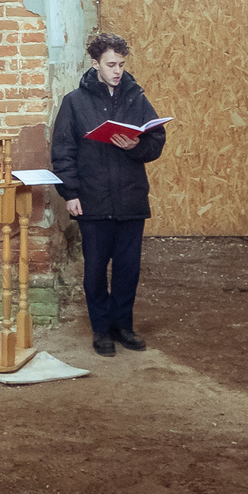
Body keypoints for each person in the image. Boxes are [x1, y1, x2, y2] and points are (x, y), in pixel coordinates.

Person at [48, 31, 166, 358]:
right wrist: (70, 193)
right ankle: (101, 330)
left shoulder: (136, 98)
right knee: (96, 271)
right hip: (93, 199)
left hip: (131, 198)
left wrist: (136, 145)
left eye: (121, 64)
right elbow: (63, 151)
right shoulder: (74, 102)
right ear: (95, 64)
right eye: (111, 64)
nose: (117, 71)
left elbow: (156, 142)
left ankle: (123, 327)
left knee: (128, 270)